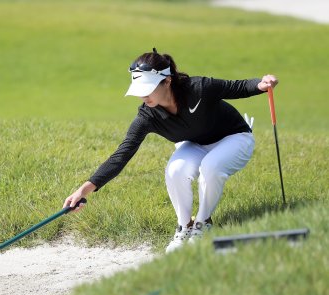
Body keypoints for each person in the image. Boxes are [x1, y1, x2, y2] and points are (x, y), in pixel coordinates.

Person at [64, 48, 278, 253]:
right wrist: (82, 191)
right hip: (197, 144)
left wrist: (261, 84)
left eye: (147, 89)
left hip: (234, 137)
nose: (143, 97)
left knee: (210, 167)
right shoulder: (147, 116)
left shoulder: (199, 88)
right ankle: (184, 226)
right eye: (139, 91)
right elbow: (122, 154)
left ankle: (203, 225)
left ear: (167, 81)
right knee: (175, 170)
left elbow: (237, 87)